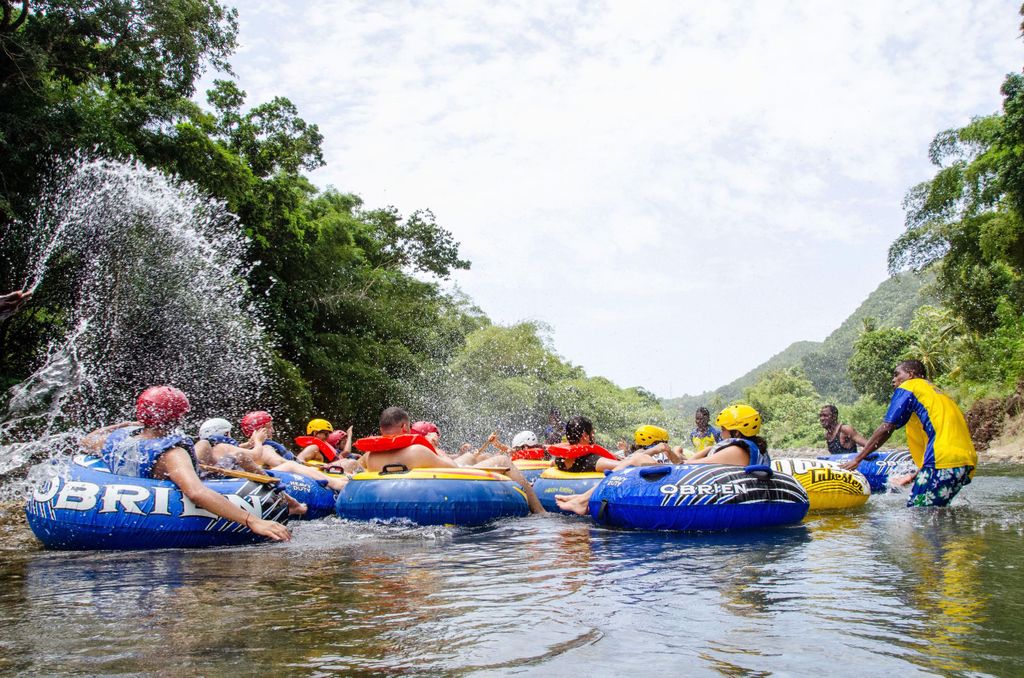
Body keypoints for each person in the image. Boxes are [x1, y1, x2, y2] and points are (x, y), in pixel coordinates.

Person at [79, 386, 291, 541]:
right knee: (215, 453)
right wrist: (252, 521)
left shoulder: (119, 440)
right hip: (169, 502)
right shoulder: (172, 453)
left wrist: (126, 425)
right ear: (177, 417)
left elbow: (86, 441)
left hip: (126, 504)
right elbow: (196, 492)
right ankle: (291, 502)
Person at [555, 405, 769, 515]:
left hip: (698, 484)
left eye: (724, 429)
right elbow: (688, 462)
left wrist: (661, 457)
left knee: (636, 459)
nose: (720, 432)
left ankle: (584, 501)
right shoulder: (731, 447)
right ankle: (584, 498)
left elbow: (688, 467)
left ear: (738, 432)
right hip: (692, 475)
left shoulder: (738, 451)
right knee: (637, 458)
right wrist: (669, 452)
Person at [355, 407, 545, 513]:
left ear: (381, 430)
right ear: (405, 427)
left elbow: (354, 473)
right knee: (502, 460)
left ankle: (476, 456)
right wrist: (435, 448)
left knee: (477, 456)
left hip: (384, 494)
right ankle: (541, 513)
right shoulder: (416, 450)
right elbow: (454, 469)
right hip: (445, 479)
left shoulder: (370, 456)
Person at [840, 360, 977, 507]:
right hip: (965, 463)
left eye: (897, 374)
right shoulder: (937, 394)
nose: (893, 380)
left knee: (918, 513)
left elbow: (887, 427)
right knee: (938, 512)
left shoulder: (909, 386)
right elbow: (941, 438)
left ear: (910, 375)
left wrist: (858, 459)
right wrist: (914, 476)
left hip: (943, 462)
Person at [550, 416, 657, 473]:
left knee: (638, 453)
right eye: (592, 432)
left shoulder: (560, 459)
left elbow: (551, 464)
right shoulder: (592, 460)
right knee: (639, 456)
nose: (594, 435)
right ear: (585, 436)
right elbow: (627, 466)